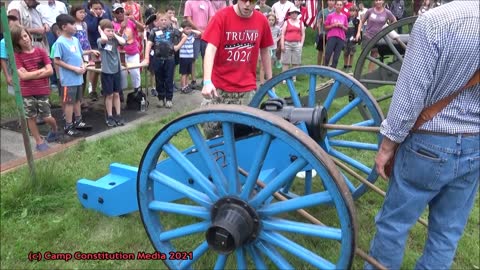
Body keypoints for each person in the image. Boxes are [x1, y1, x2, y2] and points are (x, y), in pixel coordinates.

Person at [366, 2, 479, 269]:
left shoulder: (435, 22)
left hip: (428, 142)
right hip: (475, 142)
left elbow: (410, 94)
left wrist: (386, 147)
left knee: (394, 224)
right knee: (447, 234)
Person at [200, 0, 274, 138]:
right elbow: (210, 49)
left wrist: (270, 82)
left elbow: (265, 50)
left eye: (251, 1)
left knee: (245, 136)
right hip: (219, 88)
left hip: (246, 89)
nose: (247, 5)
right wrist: (207, 82)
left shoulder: (261, 20)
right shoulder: (221, 17)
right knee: (211, 132)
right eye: (244, 0)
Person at [11, 25, 59, 151]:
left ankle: (54, 129)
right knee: (30, 117)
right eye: (21, 39)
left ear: (29, 35)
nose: (25, 39)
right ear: (17, 42)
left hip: (42, 90)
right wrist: (39, 72)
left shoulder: (41, 52)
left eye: (25, 36)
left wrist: (30, 74)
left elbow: (50, 71)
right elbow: (23, 76)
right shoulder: (17, 56)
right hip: (27, 92)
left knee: (46, 116)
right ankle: (39, 141)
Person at [54, 14, 95, 136]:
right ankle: (68, 125)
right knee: (69, 102)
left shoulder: (75, 40)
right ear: (64, 27)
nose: (75, 27)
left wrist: (83, 65)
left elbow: (80, 55)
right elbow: (56, 60)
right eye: (72, 24)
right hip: (68, 79)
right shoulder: (60, 42)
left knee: (78, 100)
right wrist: (74, 69)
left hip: (78, 78)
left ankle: (78, 121)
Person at [143, 12, 186, 109]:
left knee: (169, 79)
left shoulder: (173, 30)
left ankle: (169, 99)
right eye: (161, 20)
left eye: (165, 20)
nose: (163, 22)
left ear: (169, 21)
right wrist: (146, 57)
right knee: (159, 79)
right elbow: (149, 44)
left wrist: (177, 47)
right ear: (157, 22)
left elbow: (184, 37)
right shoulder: (154, 31)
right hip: (157, 59)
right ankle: (161, 98)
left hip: (170, 59)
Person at [97, 19, 127, 126]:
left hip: (116, 70)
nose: (110, 33)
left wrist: (114, 34)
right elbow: (104, 39)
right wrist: (101, 31)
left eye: (111, 30)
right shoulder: (100, 40)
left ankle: (118, 115)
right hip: (107, 72)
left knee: (116, 94)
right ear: (102, 31)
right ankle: (109, 116)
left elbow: (123, 42)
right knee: (109, 95)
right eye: (108, 31)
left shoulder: (114, 39)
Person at [355, 0, 396, 72]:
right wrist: (358, 33)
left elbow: (394, 21)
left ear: (383, 1)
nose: (378, 2)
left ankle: (369, 73)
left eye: (379, 0)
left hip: (378, 38)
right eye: (376, 0)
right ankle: (359, 73)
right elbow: (361, 21)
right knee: (363, 57)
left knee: (373, 58)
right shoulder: (370, 11)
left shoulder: (387, 12)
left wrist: (387, 29)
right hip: (368, 36)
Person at [112, 3, 143, 93]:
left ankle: (137, 91)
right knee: (122, 73)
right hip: (120, 53)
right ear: (114, 14)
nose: (120, 13)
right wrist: (122, 28)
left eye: (122, 11)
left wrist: (135, 21)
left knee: (135, 72)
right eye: (117, 12)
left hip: (133, 51)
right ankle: (120, 92)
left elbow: (142, 29)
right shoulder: (112, 24)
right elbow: (116, 39)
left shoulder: (129, 21)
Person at [183, 0, 215, 90]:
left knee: (206, 58)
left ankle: (205, 80)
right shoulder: (189, 2)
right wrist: (199, 30)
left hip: (206, 35)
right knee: (193, 58)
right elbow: (188, 18)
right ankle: (193, 80)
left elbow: (211, 16)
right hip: (194, 35)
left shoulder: (207, 2)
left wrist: (206, 30)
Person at [37, 0, 68, 89]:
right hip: (49, 32)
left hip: (61, 31)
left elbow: (66, 18)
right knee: (52, 55)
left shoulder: (61, 5)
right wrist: (44, 24)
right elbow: (39, 20)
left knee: (63, 54)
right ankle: (54, 81)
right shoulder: (40, 6)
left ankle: (64, 77)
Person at [85, 0, 112, 101]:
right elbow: (91, 28)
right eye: (95, 8)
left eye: (100, 8)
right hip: (94, 46)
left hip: (105, 46)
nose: (98, 10)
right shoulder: (88, 17)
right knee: (95, 70)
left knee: (105, 68)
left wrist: (101, 17)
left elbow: (108, 26)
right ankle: (92, 90)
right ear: (90, 9)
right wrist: (96, 17)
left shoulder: (104, 16)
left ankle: (104, 88)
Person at [280, 7, 305, 82]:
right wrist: (282, 45)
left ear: (297, 14)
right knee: (285, 62)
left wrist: (301, 44)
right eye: (292, 13)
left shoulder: (301, 22)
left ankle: (294, 78)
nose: (294, 14)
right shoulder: (286, 22)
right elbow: (283, 34)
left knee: (296, 62)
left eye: (295, 13)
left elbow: (303, 34)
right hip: (287, 43)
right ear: (290, 14)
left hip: (297, 44)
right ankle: (284, 78)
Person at [323, 0, 348, 69]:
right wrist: (333, 25)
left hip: (341, 37)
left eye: (340, 5)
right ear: (335, 6)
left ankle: (333, 71)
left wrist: (342, 26)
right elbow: (326, 27)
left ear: (342, 6)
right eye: (337, 4)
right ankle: (323, 70)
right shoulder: (330, 16)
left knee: (336, 57)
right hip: (332, 36)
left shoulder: (344, 16)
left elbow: (346, 29)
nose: (339, 6)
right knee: (328, 54)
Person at [178, 21, 201, 94]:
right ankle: (183, 87)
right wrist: (182, 30)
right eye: (187, 29)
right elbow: (177, 32)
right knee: (183, 73)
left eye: (189, 29)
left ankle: (186, 85)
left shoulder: (191, 36)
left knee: (188, 72)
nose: (189, 30)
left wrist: (191, 30)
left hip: (190, 57)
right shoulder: (181, 36)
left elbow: (199, 33)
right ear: (183, 29)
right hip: (183, 57)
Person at [0, 15, 20, 96]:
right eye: (13, 27)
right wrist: (7, 76)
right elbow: (3, 59)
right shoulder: (3, 42)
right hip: (12, 69)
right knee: (14, 94)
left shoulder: (23, 39)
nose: (16, 30)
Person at [315, 0, 335, 65]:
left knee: (329, 51)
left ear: (334, 2)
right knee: (320, 51)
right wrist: (320, 32)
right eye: (330, 1)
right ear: (327, 2)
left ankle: (326, 65)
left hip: (332, 34)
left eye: (333, 1)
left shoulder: (336, 11)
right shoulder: (323, 11)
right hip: (323, 33)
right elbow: (318, 22)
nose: (331, 2)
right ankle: (318, 65)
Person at [343, 5, 359, 73]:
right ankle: (345, 65)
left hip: (353, 38)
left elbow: (358, 29)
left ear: (356, 12)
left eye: (353, 11)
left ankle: (350, 65)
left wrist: (357, 37)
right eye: (351, 11)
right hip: (346, 37)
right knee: (345, 52)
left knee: (352, 53)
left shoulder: (357, 20)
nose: (352, 12)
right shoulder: (346, 19)